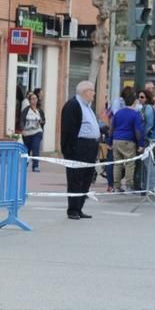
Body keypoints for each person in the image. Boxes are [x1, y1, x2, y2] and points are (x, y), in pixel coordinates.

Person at [59, 80, 100, 220]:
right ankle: (73, 209)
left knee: (87, 178)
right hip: (79, 147)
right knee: (75, 178)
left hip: (91, 146)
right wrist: (69, 150)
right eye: (92, 91)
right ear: (85, 92)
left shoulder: (88, 106)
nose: (94, 94)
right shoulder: (73, 105)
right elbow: (67, 130)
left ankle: (79, 207)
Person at [110, 87, 144, 192]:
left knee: (117, 164)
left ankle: (116, 186)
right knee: (130, 164)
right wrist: (140, 144)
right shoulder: (135, 114)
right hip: (128, 141)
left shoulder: (118, 113)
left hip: (116, 140)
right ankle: (129, 185)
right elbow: (138, 131)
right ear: (134, 101)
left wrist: (110, 141)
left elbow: (112, 127)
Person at [20, 92, 45, 172]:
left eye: (35, 99)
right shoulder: (26, 110)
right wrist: (22, 129)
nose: (34, 100)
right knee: (27, 150)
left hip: (37, 132)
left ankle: (35, 165)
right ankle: (25, 164)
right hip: (27, 133)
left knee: (35, 147)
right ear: (30, 101)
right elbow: (21, 120)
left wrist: (42, 122)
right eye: (32, 99)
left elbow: (44, 120)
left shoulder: (40, 110)